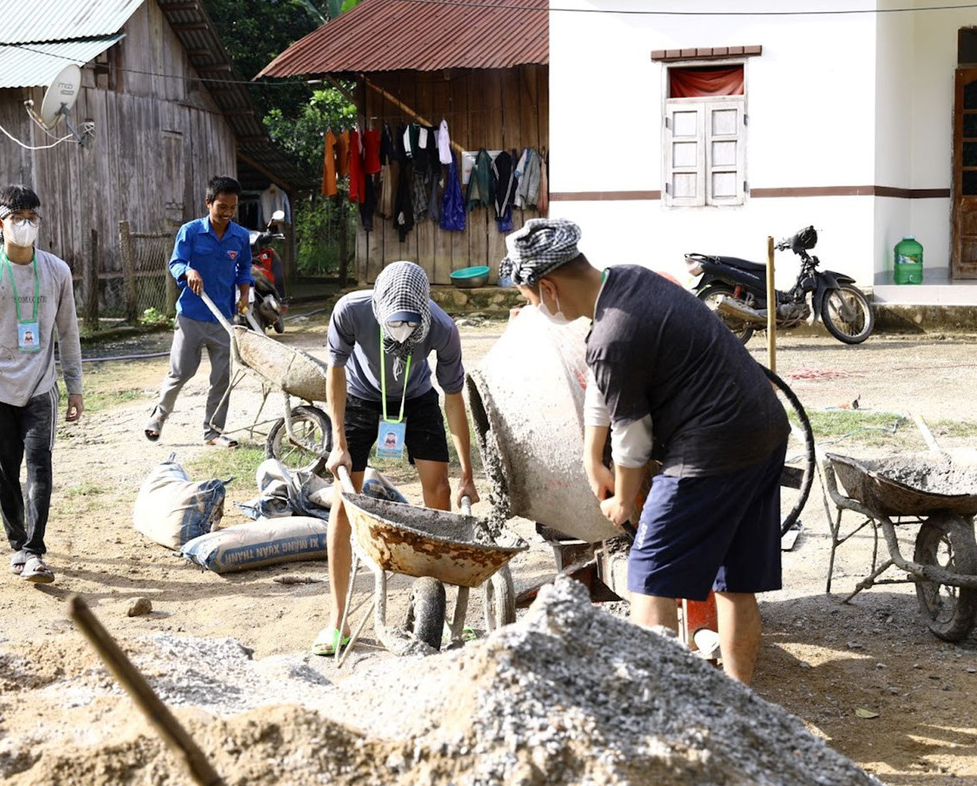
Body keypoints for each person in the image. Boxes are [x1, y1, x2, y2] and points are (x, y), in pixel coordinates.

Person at [500, 219, 789, 685]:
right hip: (765, 430)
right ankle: (742, 703)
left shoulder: (614, 331)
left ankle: (654, 711)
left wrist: (622, 498)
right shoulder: (627, 281)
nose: (534, 308)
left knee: (650, 578)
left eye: (530, 299)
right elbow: (604, 381)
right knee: (736, 583)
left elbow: (632, 441)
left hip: (711, 450)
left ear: (548, 287)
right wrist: (591, 457)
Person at [313, 260, 479, 656]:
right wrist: (338, 442)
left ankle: (438, 612)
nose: (403, 333)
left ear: (424, 310)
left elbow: (453, 400)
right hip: (361, 395)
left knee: (437, 492)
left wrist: (468, 474)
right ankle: (338, 619)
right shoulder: (350, 311)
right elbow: (334, 372)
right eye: (396, 325)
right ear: (378, 310)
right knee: (343, 501)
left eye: (411, 325)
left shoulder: (443, 329)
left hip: (417, 396)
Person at [0, 185, 84, 584]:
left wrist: (75, 386)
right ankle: (17, 543)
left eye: (32, 218)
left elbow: (68, 332)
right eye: (17, 218)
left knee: (40, 466)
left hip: (41, 387)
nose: (26, 225)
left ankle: (34, 550)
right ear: (0, 224)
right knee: (5, 469)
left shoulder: (57, 271)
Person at [145, 176, 253, 446]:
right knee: (181, 371)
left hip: (223, 318)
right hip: (191, 314)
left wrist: (244, 294)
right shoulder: (191, 231)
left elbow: (244, 269)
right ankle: (159, 416)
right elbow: (176, 262)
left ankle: (213, 432)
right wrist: (189, 270)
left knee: (222, 377)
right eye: (221, 207)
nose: (227, 213)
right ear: (208, 203)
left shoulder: (239, 236)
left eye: (232, 208)